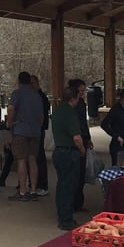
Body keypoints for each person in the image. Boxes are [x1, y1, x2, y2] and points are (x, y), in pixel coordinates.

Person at [50, 82, 87, 231]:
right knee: (69, 187)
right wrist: (82, 149)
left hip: (58, 150)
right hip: (69, 152)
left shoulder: (57, 111)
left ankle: (62, 215)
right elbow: (76, 137)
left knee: (61, 185)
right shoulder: (70, 113)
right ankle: (66, 219)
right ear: (73, 99)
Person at [7, 70, 44, 202]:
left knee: (21, 160)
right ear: (30, 81)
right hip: (35, 130)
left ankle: (22, 191)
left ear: (18, 81)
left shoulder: (17, 93)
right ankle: (33, 190)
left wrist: (10, 123)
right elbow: (41, 116)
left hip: (21, 130)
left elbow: (11, 109)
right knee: (32, 160)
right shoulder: (36, 95)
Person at [66, 78, 94, 212]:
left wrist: (88, 138)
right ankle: (72, 202)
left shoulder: (81, 103)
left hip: (82, 137)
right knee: (75, 173)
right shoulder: (70, 106)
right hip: (75, 139)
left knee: (80, 174)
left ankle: (78, 202)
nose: (83, 93)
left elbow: (84, 122)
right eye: (81, 91)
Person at [101, 86, 124, 167]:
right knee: (118, 168)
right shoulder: (115, 109)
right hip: (119, 146)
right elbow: (104, 124)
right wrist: (117, 137)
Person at [31, 74, 51, 196]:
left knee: (39, 157)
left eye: (32, 82)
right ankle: (33, 183)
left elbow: (42, 115)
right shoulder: (32, 97)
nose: (31, 85)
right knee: (32, 157)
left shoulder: (41, 97)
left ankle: (43, 185)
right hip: (32, 130)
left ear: (37, 83)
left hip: (39, 130)